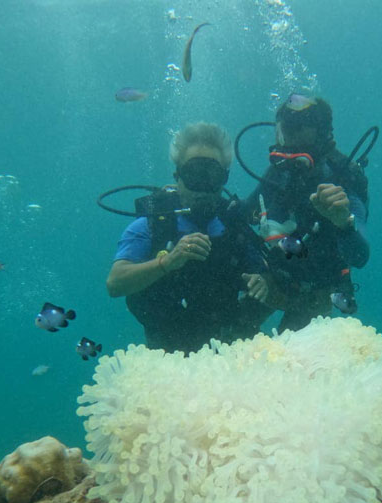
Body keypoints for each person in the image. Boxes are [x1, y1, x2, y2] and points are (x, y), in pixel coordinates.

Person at [106, 122, 270, 353]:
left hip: (229, 353)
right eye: (194, 175)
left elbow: (263, 275)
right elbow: (114, 284)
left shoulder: (234, 225)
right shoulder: (151, 225)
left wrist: (261, 282)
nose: (203, 187)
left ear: (224, 178)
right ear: (178, 178)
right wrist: (166, 262)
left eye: (212, 175)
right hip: (167, 355)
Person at [243, 94, 371, 332]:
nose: (289, 136)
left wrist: (343, 222)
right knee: (230, 331)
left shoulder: (344, 177)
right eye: (285, 129)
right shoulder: (279, 172)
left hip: (317, 290)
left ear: (321, 132)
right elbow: (241, 215)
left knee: (292, 361)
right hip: (273, 278)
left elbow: (360, 256)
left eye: (298, 127)